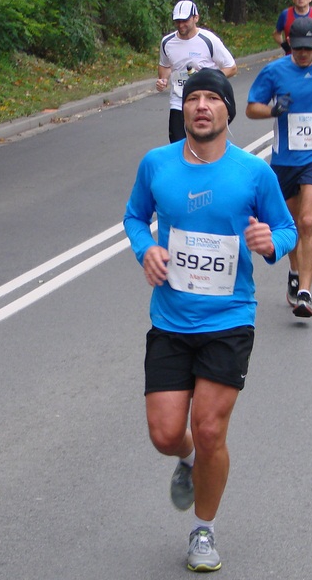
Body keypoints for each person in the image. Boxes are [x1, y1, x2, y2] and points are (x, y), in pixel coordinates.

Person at [123, 70, 297, 573]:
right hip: (172, 319)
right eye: (192, 98)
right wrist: (145, 249)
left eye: (212, 99)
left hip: (229, 318)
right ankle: (189, 462)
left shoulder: (252, 172)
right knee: (165, 433)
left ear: (227, 111)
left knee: (210, 429)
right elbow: (135, 216)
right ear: (184, 112)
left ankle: (204, 528)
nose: (201, 106)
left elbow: (284, 227)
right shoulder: (157, 164)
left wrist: (273, 244)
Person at [246, 16, 312, 318]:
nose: (304, 54)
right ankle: (294, 271)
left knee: (307, 221)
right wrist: (272, 110)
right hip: (284, 160)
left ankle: (305, 291)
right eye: (298, 48)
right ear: (289, 43)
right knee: (292, 223)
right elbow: (252, 108)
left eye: (309, 48)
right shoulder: (274, 71)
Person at [156, 0, 237, 143]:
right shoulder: (167, 42)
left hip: (205, 102)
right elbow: (165, 65)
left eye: (185, 20)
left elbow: (231, 67)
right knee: (177, 145)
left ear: (196, 18)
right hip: (179, 101)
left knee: (203, 144)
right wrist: (163, 79)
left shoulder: (209, 40)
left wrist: (210, 80)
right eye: (177, 21)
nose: (181, 25)